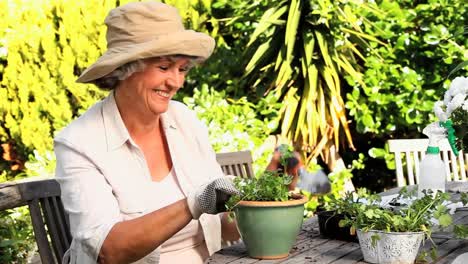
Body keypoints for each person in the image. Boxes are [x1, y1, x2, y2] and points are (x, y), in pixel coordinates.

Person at [54, 2, 241, 263]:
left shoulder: (184, 119)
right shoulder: (79, 143)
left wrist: (272, 197)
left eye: (182, 69)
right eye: (164, 67)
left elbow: (226, 225)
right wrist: (193, 203)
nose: (176, 82)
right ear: (124, 69)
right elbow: (109, 250)